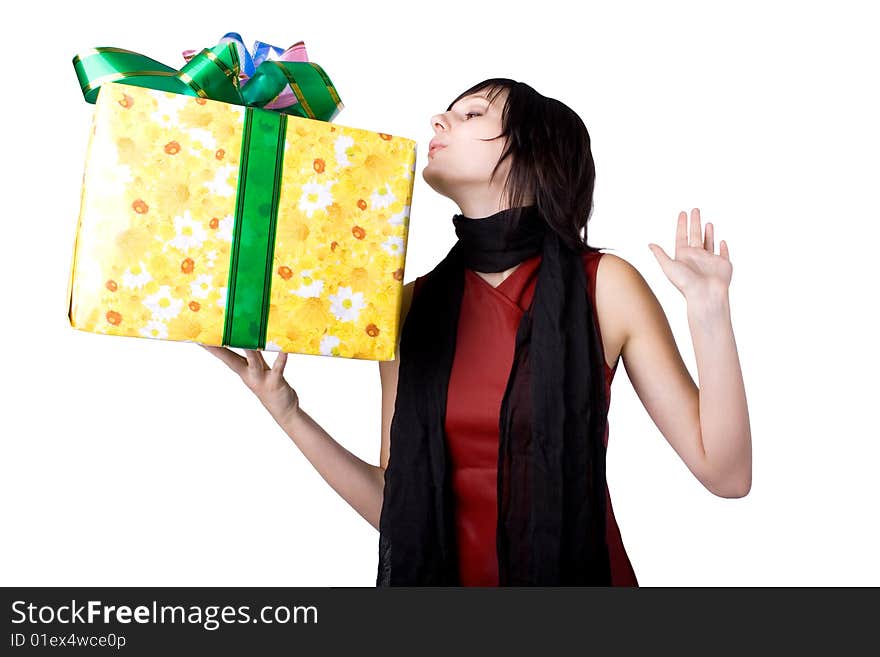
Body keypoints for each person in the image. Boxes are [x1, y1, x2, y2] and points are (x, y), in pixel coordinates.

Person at [201, 79, 752, 587]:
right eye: (448, 111)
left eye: (471, 114)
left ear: (533, 152)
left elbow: (725, 475)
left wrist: (709, 312)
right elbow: (398, 507)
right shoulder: (408, 305)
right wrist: (286, 411)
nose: (440, 119)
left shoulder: (605, 286)